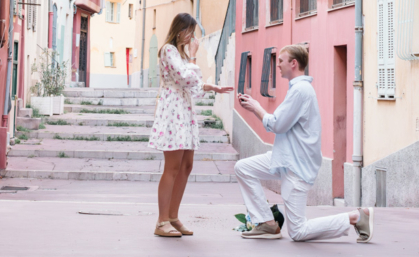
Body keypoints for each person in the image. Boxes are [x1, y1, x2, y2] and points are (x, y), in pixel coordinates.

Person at [235, 44, 373, 243]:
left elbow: (277, 124)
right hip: (285, 159)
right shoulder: (299, 89)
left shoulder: (300, 90)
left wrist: (256, 107)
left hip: (295, 166)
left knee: (298, 231)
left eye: (280, 61)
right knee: (243, 168)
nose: (278, 65)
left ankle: (356, 217)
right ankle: (266, 223)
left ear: (294, 63)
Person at [148, 13, 233, 237]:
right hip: (173, 112)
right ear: (181, 31)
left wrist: (211, 88)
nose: (193, 37)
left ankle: (173, 217)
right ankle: (161, 221)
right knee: (173, 167)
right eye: (191, 32)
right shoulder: (168, 50)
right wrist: (194, 58)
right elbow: (185, 77)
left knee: (186, 166)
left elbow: (192, 86)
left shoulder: (179, 54)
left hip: (184, 111)